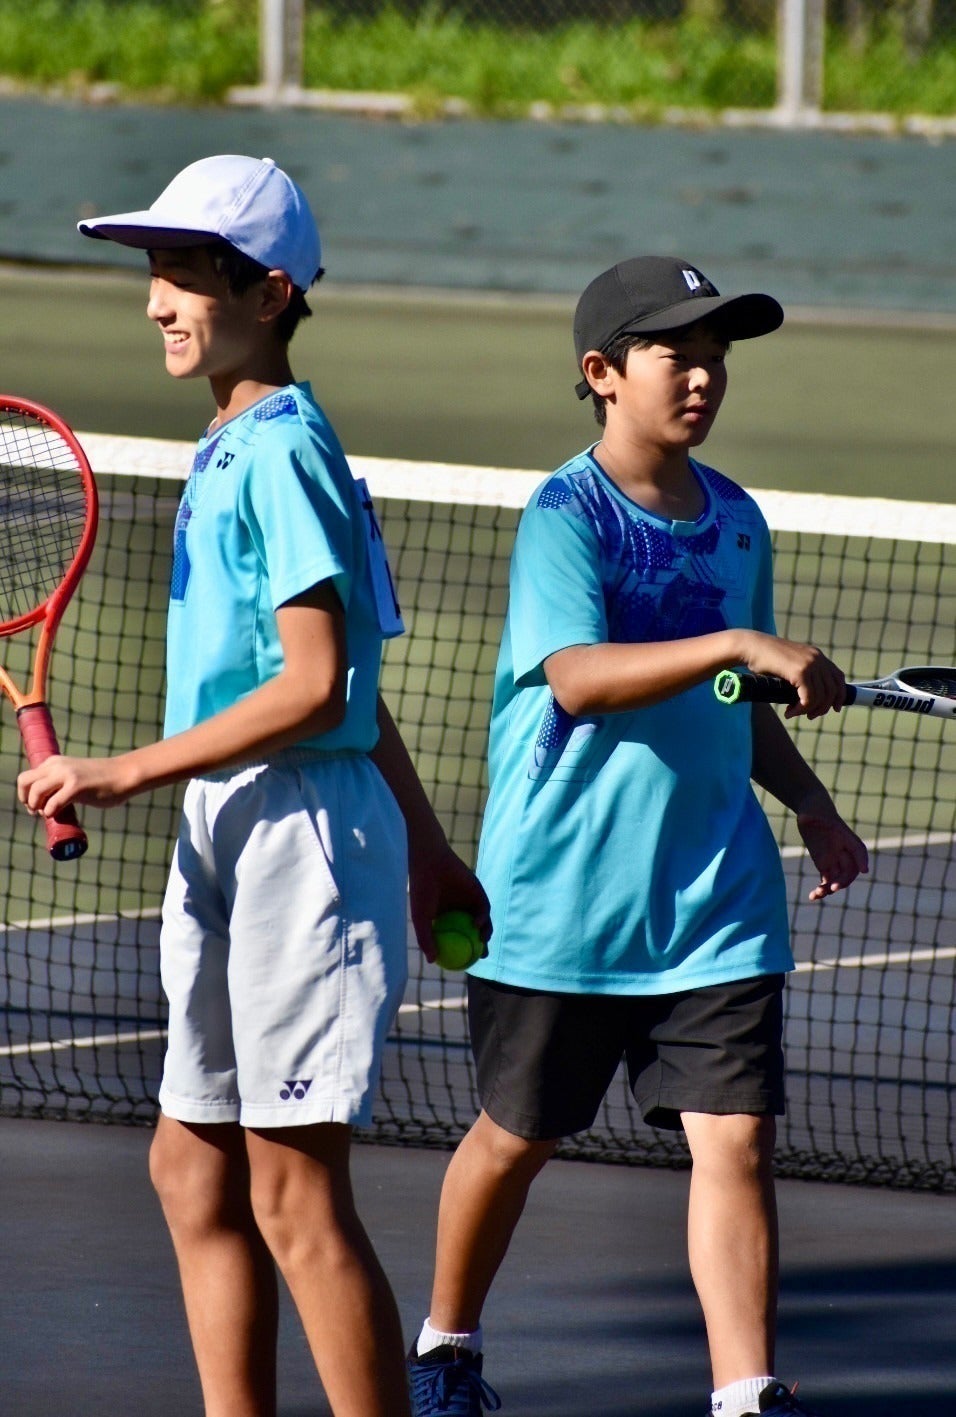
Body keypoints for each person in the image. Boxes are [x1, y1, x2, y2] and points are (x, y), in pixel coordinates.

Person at [18, 154, 488, 1417]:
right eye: (153, 273)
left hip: (297, 836)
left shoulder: (283, 453)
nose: (156, 300)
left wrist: (122, 767)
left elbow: (316, 686)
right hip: (232, 823)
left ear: (269, 293)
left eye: (184, 274)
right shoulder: (238, 442)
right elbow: (358, 682)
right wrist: (430, 846)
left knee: (291, 1189)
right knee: (191, 1168)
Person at [406, 256, 869, 1417]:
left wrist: (808, 802)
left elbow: (734, 701)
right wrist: (738, 646)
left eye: (716, 355)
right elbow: (576, 676)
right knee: (515, 1137)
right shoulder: (565, 515)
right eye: (677, 353)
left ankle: (743, 1391)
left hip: (713, 898)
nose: (703, 375)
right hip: (562, 901)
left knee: (736, 1141)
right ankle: (445, 1348)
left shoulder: (737, 521)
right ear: (602, 373)